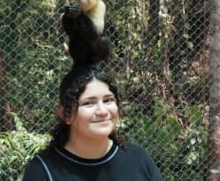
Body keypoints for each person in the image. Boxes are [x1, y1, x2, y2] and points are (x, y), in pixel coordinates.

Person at [22, 65, 163, 181]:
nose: (102, 111)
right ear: (66, 115)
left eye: (108, 100)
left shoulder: (138, 159)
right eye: (88, 103)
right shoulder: (42, 170)